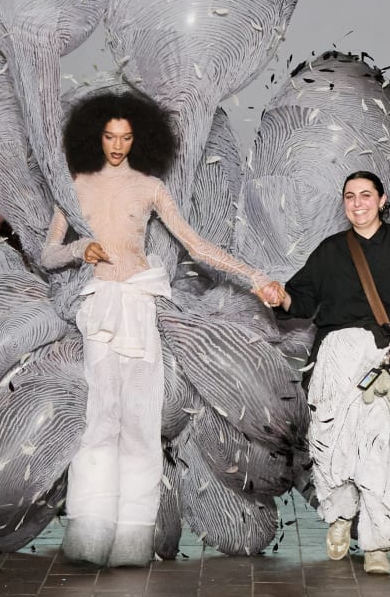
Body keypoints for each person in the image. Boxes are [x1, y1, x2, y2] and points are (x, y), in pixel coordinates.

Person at [40, 91, 273, 569]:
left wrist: (254, 277)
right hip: (101, 308)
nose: (118, 145)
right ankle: (88, 530)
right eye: (109, 136)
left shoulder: (149, 187)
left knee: (142, 424)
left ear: (138, 139)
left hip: (140, 304)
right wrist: (78, 247)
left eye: (126, 138)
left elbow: (195, 244)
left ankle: (132, 539)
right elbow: (48, 254)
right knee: (100, 421)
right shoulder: (76, 185)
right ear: (95, 136)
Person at [266, 170, 390, 575]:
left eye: (365, 195)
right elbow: (302, 300)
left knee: (386, 446)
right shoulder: (330, 251)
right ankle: (342, 516)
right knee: (335, 443)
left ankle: (378, 541)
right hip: (339, 358)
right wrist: (280, 295)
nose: (357, 202)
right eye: (349, 196)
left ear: (381, 200)